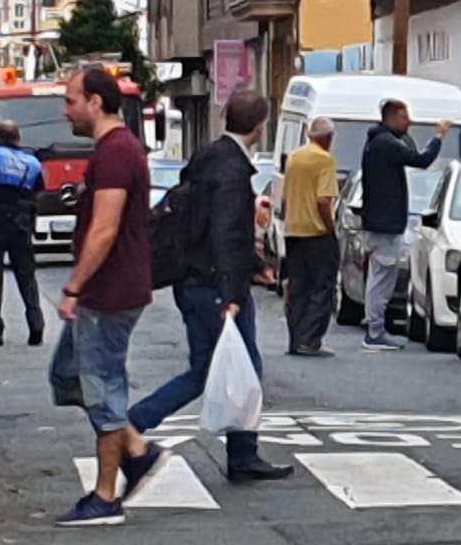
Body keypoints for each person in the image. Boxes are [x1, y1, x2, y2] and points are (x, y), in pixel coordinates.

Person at [128, 90, 293, 484]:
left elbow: (208, 226)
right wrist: (233, 293)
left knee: (212, 369)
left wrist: (254, 266)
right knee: (240, 367)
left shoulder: (208, 156)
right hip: (213, 284)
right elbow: (225, 234)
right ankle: (136, 424)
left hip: (192, 279)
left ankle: (240, 452)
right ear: (260, 127)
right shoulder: (233, 172)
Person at [49, 69, 159, 527]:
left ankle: (105, 494)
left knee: (103, 389)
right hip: (110, 287)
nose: (65, 109)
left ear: (95, 102)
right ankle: (134, 448)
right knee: (68, 375)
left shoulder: (115, 153)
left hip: (108, 291)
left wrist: (75, 285)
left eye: (71, 99)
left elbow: (105, 227)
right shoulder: (117, 149)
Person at [358, 100, 451, 351]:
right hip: (385, 222)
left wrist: (406, 134)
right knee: (383, 277)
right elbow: (420, 160)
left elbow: (408, 150)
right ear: (390, 118)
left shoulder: (378, 142)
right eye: (403, 117)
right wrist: (438, 137)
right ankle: (375, 331)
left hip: (380, 220)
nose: (408, 121)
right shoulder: (386, 145)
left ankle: (375, 327)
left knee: (380, 275)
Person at [0, 120, 47, 347]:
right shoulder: (33, 161)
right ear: (19, 137)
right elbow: (38, 190)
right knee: (26, 277)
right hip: (21, 223)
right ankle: (36, 326)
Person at [282, 116, 340, 357]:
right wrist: (330, 228)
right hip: (316, 233)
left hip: (293, 230)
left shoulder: (294, 158)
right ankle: (310, 339)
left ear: (308, 135)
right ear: (328, 138)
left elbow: (285, 198)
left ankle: (296, 338)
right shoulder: (324, 160)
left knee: (298, 287)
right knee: (322, 286)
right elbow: (323, 200)